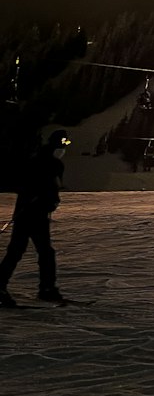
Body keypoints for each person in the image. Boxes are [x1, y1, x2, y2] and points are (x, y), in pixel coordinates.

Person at [0, 129, 68, 307]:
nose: (64, 149)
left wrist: (51, 200)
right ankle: (46, 289)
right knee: (27, 251)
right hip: (29, 213)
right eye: (62, 145)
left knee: (37, 252)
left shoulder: (49, 162)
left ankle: (46, 288)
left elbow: (51, 188)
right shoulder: (43, 162)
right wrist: (43, 198)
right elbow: (33, 186)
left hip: (35, 213)